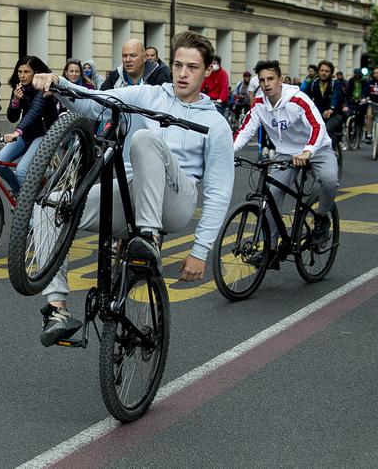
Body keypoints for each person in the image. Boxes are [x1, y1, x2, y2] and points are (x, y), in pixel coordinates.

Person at [29, 31, 235, 345]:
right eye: (178, 64)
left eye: (192, 68)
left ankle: (148, 237)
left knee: (144, 139)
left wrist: (200, 251)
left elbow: (219, 191)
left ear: (207, 70)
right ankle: (56, 308)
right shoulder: (149, 94)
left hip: (174, 203)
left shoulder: (216, 124)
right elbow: (95, 102)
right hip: (131, 190)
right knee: (48, 206)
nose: (182, 73)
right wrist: (58, 83)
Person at [234, 59, 338, 246]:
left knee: (330, 180)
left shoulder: (298, 100)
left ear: (280, 79)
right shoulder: (259, 104)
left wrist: (307, 152)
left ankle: (322, 217)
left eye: (271, 79)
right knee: (271, 196)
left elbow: (317, 126)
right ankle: (270, 249)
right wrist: (228, 152)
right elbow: (244, 132)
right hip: (286, 153)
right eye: (262, 80)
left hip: (316, 147)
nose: (266, 84)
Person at [0, 56, 58, 195]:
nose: (22, 76)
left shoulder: (44, 89)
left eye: (26, 72)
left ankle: (29, 213)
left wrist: (17, 132)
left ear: (36, 72)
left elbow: (34, 111)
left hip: (44, 134)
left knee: (22, 171)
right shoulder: (19, 87)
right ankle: (20, 197)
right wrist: (16, 101)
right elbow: (12, 117)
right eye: (19, 71)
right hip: (26, 133)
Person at [101, 38, 171, 89]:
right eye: (124, 56)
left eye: (133, 55)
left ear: (144, 58)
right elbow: (101, 100)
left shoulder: (160, 74)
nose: (128, 60)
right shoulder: (114, 76)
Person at [306, 60, 345, 144]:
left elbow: (335, 97)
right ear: (318, 72)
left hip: (334, 113)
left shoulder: (336, 84)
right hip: (318, 113)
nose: (324, 73)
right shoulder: (313, 84)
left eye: (327, 71)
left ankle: (332, 154)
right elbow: (306, 98)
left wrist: (331, 109)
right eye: (322, 70)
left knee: (327, 130)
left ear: (331, 73)